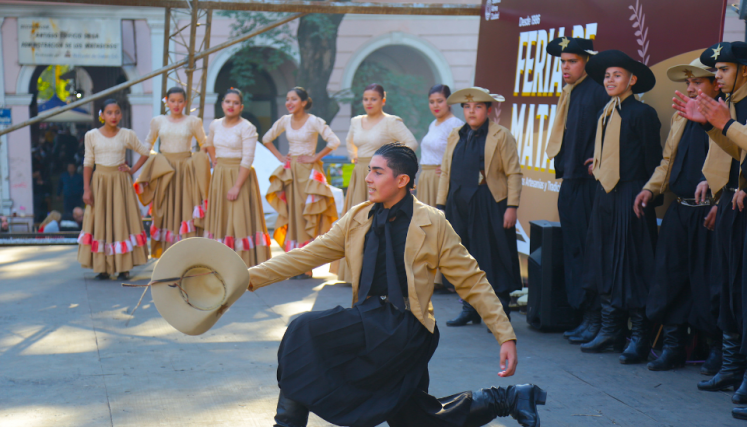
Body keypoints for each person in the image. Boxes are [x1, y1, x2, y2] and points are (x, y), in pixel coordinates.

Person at [247, 142, 545, 427]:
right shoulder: (358, 218)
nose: (368, 178)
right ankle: (510, 397)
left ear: (401, 179)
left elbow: (471, 280)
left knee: (303, 330)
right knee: (416, 420)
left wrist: (505, 335)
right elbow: (305, 256)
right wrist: (246, 278)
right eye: (369, 171)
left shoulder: (432, 222)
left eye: (377, 172)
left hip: (407, 327)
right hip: (368, 319)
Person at [673, 42, 747, 420]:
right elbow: (736, 152)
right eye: (714, 70)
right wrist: (713, 127)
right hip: (732, 203)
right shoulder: (729, 106)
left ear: (744, 71)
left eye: (724, 70)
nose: (716, 76)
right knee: (731, 288)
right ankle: (733, 366)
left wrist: (724, 124)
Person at [579, 50, 662, 366]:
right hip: (605, 196)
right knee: (603, 260)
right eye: (607, 76)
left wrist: (647, 193)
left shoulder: (643, 114)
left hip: (631, 195)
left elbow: (653, 161)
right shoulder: (607, 111)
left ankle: (639, 337)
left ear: (632, 80)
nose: (610, 80)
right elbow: (612, 150)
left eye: (617, 75)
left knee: (632, 265)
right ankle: (611, 330)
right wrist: (599, 164)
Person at [638, 59, 722, 372]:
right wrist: (651, 188)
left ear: (716, 84)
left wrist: (717, 191)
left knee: (706, 284)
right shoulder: (680, 117)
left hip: (709, 214)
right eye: (689, 82)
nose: (690, 88)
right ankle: (672, 346)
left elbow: (733, 162)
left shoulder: (728, 119)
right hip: (680, 209)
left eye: (698, 82)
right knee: (669, 278)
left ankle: (716, 350)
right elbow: (667, 160)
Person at [435, 87, 522, 328]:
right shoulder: (456, 134)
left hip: (489, 201)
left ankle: (500, 312)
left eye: (478, 107)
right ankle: (469, 308)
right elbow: (446, 173)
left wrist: (511, 206)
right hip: (458, 202)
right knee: (464, 256)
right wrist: (441, 205)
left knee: (494, 256)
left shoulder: (501, 135)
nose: (472, 111)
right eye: (467, 107)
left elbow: (513, 172)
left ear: (489, 110)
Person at [544, 37, 610, 344]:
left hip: (589, 185)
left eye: (572, 61)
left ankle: (595, 319)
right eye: (563, 62)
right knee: (572, 250)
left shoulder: (598, 91)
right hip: (569, 180)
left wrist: (601, 159)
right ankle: (581, 315)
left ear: (586, 62)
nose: (566, 67)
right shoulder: (569, 92)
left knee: (589, 252)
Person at [333, 83, 418, 283]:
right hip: (359, 173)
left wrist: (393, 164)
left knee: (377, 221)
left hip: (381, 175)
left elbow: (411, 143)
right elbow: (350, 142)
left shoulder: (391, 122)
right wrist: (356, 158)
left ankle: (376, 271)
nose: (369, 102)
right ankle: (352, 272)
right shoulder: (356, 121)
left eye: (374, 99)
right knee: (356, 220)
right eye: (365, 99)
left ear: (383, 101)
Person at [263, 87, 340, 265]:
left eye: (294, 99)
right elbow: (267, 138)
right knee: (294, 214)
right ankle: (296, 261)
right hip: (291, 172)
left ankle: (307, 263)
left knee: (308, 213)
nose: (289, 102)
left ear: (304, 102)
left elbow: (334, 141)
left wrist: (315, 157)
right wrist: (280, 157)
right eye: (288, 99)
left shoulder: (314, 121)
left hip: (309, 173)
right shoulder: (285, 120)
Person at [77, 99, 150, 280]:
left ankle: (124, 267)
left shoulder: (127, 134)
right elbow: (88, 162)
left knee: (120, 222)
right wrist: (87, 189)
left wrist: (132, 170)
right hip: (99, 182)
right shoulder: (91, 135)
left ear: (121, 114)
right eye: (109, 112)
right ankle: (103, 268)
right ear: (102, 115)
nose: (114, 116)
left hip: (120, 183)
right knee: (101, 222)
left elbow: (145, 152)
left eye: (117, 112)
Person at [135, 86, 210, 258]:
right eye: (172, 101)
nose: (176, 104)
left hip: (186, 172)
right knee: (164, 209)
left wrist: (202, 163)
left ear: (185, 102)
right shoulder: (158, 121)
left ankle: (188, 254)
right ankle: (168, 255)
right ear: (166, 101)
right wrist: (136, 167)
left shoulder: (193, 121)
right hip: (165, 170)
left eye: (180, 101)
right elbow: (148, 144)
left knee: (186, 208)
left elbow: (204, 144)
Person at [203, 88, 272, 268]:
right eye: (227, 102)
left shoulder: (247, 127)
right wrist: (214, 160)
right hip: (220, 176)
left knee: (238, 218)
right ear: (222, 104)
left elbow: (248, 159)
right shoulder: (215, 125)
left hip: (240, 175)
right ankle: (220, 261)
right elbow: (208, 143)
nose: (231, 106)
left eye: (235, 103)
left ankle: (244, 262)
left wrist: (237, 186)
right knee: (222, 217)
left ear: (241, 107)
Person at [418, 84, 464, 292]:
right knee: (425, 228)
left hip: (440, 180)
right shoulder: (433, 124)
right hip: (426, 177)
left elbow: (462, 154)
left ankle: (444, 277)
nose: (435, 106)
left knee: (440, 228)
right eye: (431, 102)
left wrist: (449, 170)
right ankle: (429, 274)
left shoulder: (455, 124)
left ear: (449, 101)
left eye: (440, 101)